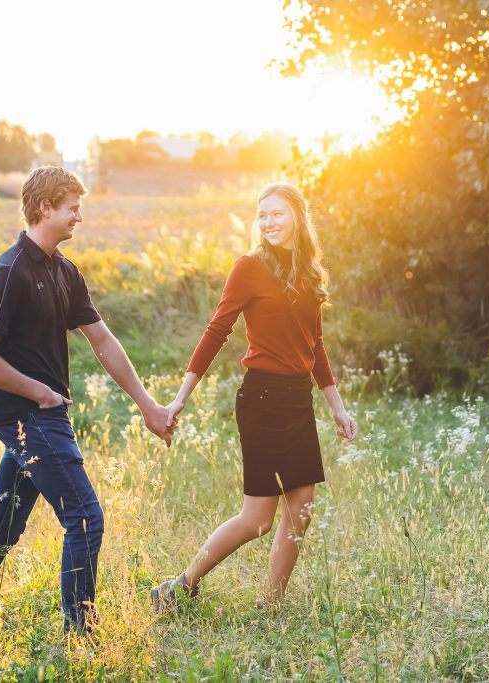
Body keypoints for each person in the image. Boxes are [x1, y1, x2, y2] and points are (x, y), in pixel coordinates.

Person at [0, 165, 174, 632]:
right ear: (44, 208)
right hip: (28, 416)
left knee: (3, 527)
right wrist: (41, 392)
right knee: (85, 518)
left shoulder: (64, 271)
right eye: (72, 208)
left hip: (42, 414)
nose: (78, 218)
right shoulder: (10, 273)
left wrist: (148, 405)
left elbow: (103, 341)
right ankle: (81, 636)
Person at [151, 182, 357, 611]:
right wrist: (180, 397)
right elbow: (216, 331)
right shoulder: (249, 266)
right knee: (258, 518)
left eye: (277, 214)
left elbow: (314, 345)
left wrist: (337, 406)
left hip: (298, 399)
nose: (268, 222)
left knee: (301, 509)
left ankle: (271, 603)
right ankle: (180, 585)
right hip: (262, 400)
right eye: (262, 215)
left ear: (298, 218)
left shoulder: (309, 272)